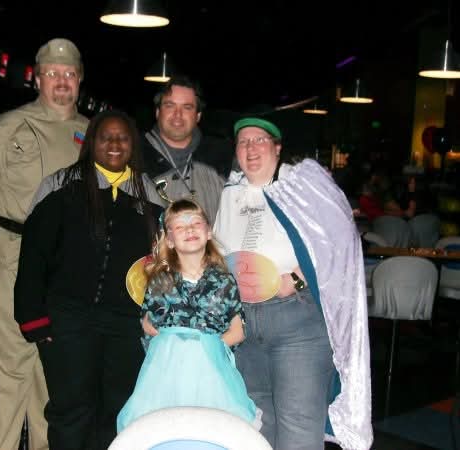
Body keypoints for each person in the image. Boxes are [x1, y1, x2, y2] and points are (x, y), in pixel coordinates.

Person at [0, 38, 89, 450]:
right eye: (52, 73)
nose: (61, 81)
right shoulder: (10, 126)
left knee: (52, 376)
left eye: (69, 74)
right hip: (10, 256)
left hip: (66, 266)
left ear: (79, 80)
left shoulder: (92, 133)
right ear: (38, 79)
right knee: (5, 369)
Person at [213, 117, 372, 450]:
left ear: (277, 147)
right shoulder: (230, 193)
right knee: (255, 426)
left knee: (298, 428)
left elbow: (340, 239)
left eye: (259, 140)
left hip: (296, 322)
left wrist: (297, 280)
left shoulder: (302, 185)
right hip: (245, 326)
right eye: (243, 142)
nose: (251, 148)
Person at [14, 109, 163, 450]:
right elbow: (33, 253)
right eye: (106, 137)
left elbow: (160, 264)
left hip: (126, 325)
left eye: (122, 137)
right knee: (71, 410)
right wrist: (32, 317)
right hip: (69, 320)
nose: (114, 144)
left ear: (133, 144)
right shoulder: (61, 185)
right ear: (91, 142)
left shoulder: (148, 192)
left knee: (119, 411)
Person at [116, 198, 260, 432]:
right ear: (169, 240)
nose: (189, 229)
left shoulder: (225, 281)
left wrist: (204, 351)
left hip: (212, 378)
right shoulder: (159, 282)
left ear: (209, 231)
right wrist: (177, 348)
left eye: (195, 223)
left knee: (210, 432)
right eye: (180, 226)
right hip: (167, 377)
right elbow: (148, 326)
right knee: (167, 431)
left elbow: (238, 330)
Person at [142, 75, 230, 224]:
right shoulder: (133, 155)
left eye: (187, 107)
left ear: (198, 116)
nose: (178, 114)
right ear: (157, 112)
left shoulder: (222, 156)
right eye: (170, 105)